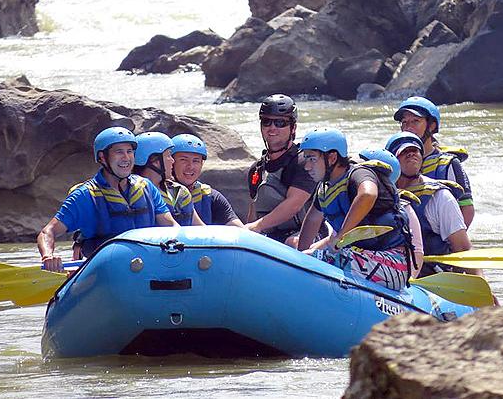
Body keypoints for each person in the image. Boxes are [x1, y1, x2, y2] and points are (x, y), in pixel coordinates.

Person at [38, 126, 178, 272]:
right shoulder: (86, 195)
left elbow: (172, 227)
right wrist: (48, 256)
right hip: (106, 272)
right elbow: (48, 232)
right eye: (119, 152)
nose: (126, 157)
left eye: (129, 152)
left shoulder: (146, 187)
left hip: (146, 269)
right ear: (102, 158)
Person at [297, 128, 414, 291]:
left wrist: (341, 236)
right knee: (309, 255)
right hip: (359, 256)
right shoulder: (325, 187)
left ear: (331, 158)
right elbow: (312, 220)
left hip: (392, 264)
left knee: (318, 257)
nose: (307, 166)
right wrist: (297, 259)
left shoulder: (359, 173)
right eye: (305, 158)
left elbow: (367, 194)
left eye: (312, 159)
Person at [385, 131, 482, 278]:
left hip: (431, 275)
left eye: (415, 150)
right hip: (392, 270)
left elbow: (463, 247)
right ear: (392, 162)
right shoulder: (382, 195)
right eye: (404, 152)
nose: (411, 154)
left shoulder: (440, 197)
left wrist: (481, 285)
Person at [246, 94, 317, 246]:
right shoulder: (257, 169)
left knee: (293, 243)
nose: (272, 128)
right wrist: (248, 234)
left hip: (307, 233)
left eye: (280, 122)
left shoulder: (304, 162)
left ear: (293, 127)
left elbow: (294, 205)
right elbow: (254, 208)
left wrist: (257, 227)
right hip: (272, 234)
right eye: (266, 122)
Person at [393, 96, 474, 227]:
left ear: (431, 126)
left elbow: (467, 208)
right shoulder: (395, 161)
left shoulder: (448, 165)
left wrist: (454, 240)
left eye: (415, 121)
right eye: (405, 122)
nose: (408, 127)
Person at [359, 148, 424, 278]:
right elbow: (334, 238)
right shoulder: (356, 201)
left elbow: (416, 252)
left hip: (389, 268)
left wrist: (409, 280)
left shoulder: (403, 208)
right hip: (362, 262)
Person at [133, 131, 205, 226]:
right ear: (154, 161)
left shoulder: (180, 192)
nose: (172, 160)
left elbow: (200, 228)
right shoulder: (133, 191)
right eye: (168, 155)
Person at [171, 134, 244, 226]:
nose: (190, 166)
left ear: (202, 164)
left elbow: (238, 228)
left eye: (196, 161)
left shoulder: (211, 196)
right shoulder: (160, 195)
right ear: (171, 162)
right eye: (183, 160)